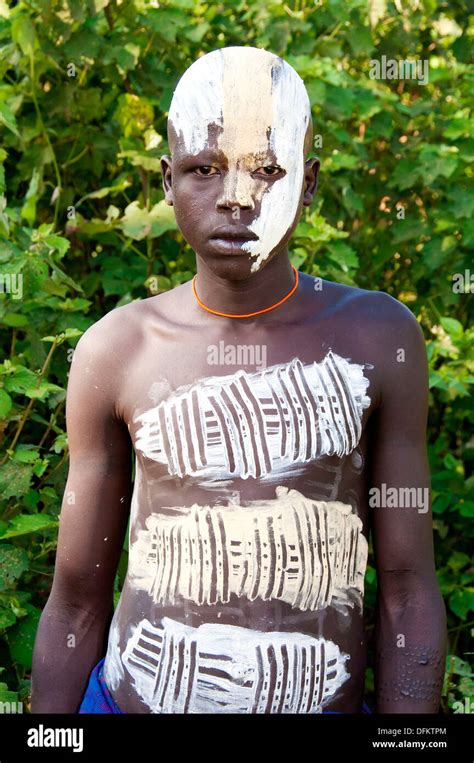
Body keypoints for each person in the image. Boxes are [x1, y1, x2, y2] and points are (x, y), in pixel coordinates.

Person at [30, 45, 446, 714]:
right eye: (204, 169)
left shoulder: (376, 337)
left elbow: (406, 587)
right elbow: (77, 597)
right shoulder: (119, 349)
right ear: (168, 181)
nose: (236, 197)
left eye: (267, 170)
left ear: (307, 184)